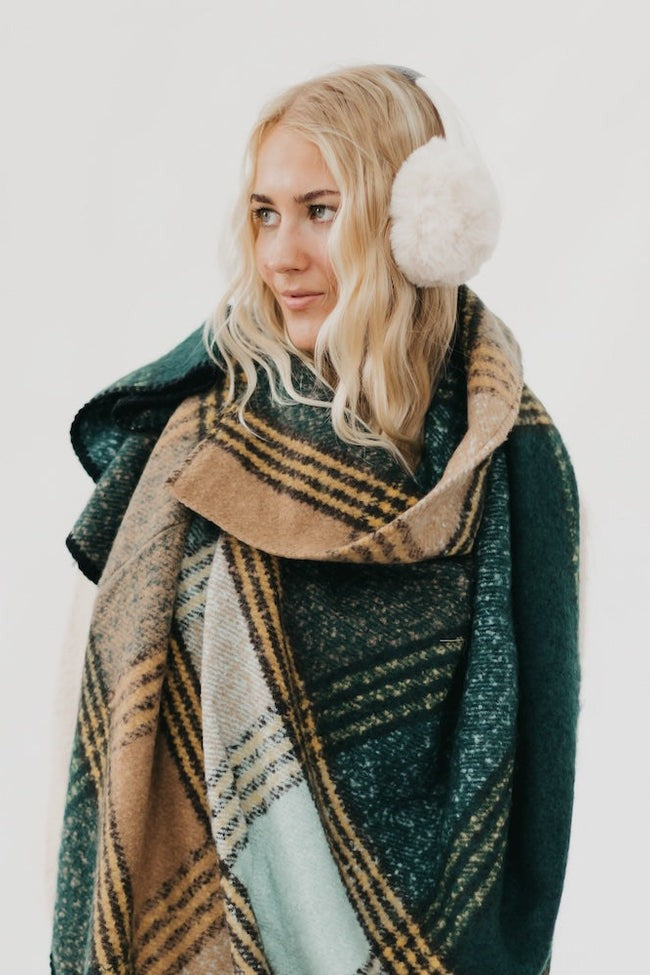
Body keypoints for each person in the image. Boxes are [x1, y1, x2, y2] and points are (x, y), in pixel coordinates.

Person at [51, 65, 580, 975]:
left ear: (414, 225)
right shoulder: (192, 460)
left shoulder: (515, 464)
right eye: (265, 214)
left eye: (320, 212)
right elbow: (105, 755)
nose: (280, 256)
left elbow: (537, 770)